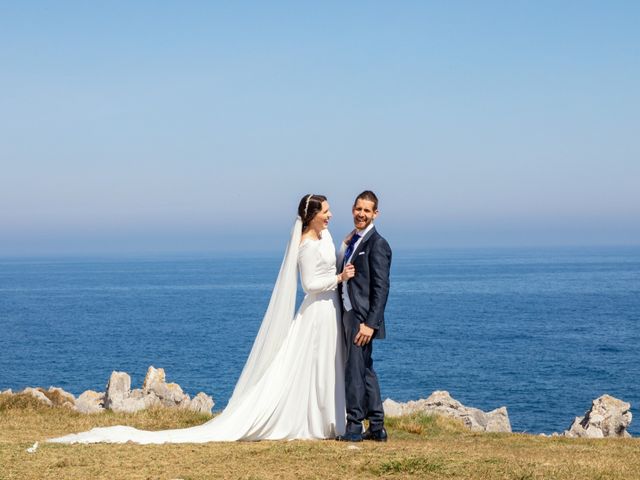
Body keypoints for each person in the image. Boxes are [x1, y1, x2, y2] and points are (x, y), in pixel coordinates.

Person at [48, 194, 354, 444]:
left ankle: (328, 418)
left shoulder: (326, 236)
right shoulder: (303, 246)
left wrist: (346, 246)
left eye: (329, 211)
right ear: (311, 214)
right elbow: (310, 285)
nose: (330, 215)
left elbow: (333, 257)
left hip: (330, 311)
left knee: (327, 363)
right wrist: (339, 278)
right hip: (316, 311)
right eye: (325, 211)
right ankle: (311, 420)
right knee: (311, 365)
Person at [336, 190, 392, 442]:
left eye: (367, 210)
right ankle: (378, 427)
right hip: (350, 315)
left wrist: (370, 324)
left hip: (362, 320)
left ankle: (354, 426)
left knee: (355, 372)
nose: (361, 214)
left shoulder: (378, 244)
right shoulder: (355, 241)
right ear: (352, 209)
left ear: (375, 214)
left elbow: (382, 288)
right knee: (365, 370)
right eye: (358, 209)